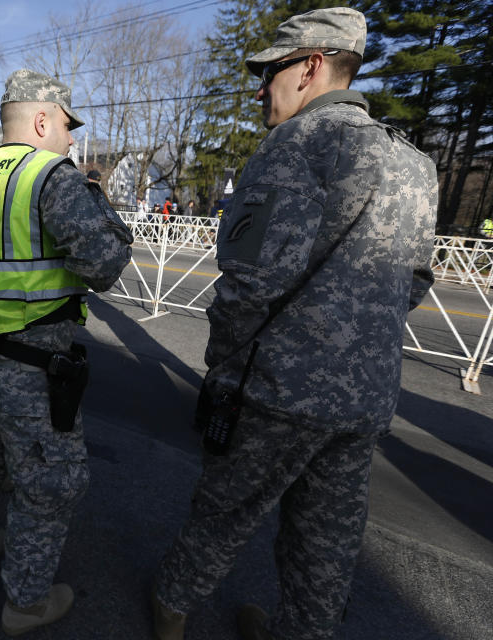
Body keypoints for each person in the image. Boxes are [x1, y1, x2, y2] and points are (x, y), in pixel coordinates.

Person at [151, 9, 438, 640]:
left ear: (309, 66)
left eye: (270, 72)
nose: (260, 89)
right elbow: (416, 281)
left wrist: (222, 365)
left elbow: (250, 283)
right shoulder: (416, 164)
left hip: (279, 390)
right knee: (326, 542)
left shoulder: (297, 145)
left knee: (223, 513)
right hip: (365, 400)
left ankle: (170, 614)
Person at [0, 69, 132, 636]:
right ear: (43, 119)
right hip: (36, 367)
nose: (70, 140)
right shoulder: (53, 177)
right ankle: (24, 602)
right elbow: (107, 266)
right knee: (47, 484)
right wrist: (97, 196)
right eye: (67, 126)